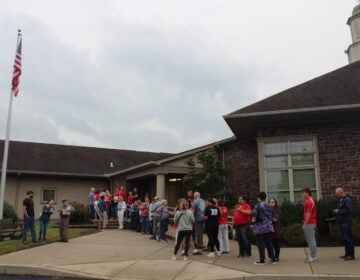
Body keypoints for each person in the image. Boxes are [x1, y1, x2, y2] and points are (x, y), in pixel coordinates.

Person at [253, 192, 277, 265]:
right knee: (269, 243)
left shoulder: (257, 206)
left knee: (261, 244)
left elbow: (255, 216)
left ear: (259, 198)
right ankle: (273, 259)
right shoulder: (269, 205)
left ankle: (262, 260)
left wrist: (254, 223)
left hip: (260, 227)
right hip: (269, 227)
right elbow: (271, 215)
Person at [333, 188, 355, 261]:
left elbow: (349, 210)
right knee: (344, 239)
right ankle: (347, 253)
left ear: (341, 192)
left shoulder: (347, 199)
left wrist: (338, 211)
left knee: (348, 238)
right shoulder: (340, 199)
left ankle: (351, 255)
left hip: (346, 222)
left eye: (337, 193)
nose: (336, 195)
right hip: (341, 221)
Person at [302, 188, 317, 263]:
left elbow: (309, 214)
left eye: (303, 192)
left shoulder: (310, 202)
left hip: (310, 223)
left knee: (311, 240)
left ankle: (313, 257)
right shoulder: (308, 201)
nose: (302, 194)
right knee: (310, 240)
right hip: (309, 222)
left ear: (307, 193)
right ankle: (313, 255)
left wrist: (305, 224)